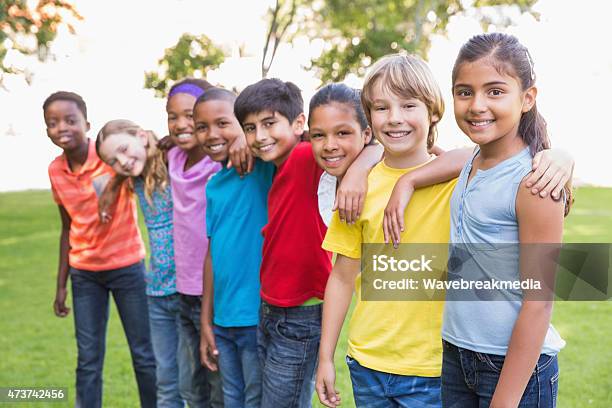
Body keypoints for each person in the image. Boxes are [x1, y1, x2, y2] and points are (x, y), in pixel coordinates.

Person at [316, 54, 455, 408]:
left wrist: (558, 157)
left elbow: (487, 155)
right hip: (367, 364)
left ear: (433, 112)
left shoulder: (457, 180)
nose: (394, 118)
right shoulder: (356, 188)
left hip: (433, 369)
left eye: (409, 105)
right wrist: (324, 357)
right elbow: (342, 277)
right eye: (381, 107)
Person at [234, 78, 381, 408]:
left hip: (301, 314)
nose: (260, 136)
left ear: (299, 124)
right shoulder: (276, 164)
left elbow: (377, 143)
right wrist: (238, 142)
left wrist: (361, 167)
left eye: (269, 124)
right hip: (270, 307)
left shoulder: (309, 157)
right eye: (250, 129)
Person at [439, 32, 566, 408]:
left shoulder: (534, 181)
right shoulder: (472, 161)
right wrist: (408, 181)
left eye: (495, 91)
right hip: (457, 353)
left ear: (527, 98)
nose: (477, 105)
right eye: (465, 92)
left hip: (514, 368)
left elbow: (539, 302)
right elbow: (422, 155)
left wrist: (505, 400)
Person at [44, 91, 156, 408]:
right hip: (85, 274)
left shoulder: (110, 155)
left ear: (87, 123)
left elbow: (144, 149)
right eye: (52, 123)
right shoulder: (55, 171)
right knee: (88, 358)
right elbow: (66, 227)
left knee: (144, 354)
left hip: (127, 267)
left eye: (70, 120)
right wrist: (60, 285)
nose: (62, 127)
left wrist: (115, 183)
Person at [195, 87, 275, 408]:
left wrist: (248, 137)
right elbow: (213, 254)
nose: (212, 134)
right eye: (202, 126)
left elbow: (302, 131)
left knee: (256, 400)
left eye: (223, 123)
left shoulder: (266, 167)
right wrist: (205, 321)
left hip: (258, 318)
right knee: (232, 400)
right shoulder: (214, 185)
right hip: (223, 322)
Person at [96, 119, 182, 408]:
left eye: (122, 149)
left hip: (190, 291)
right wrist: (113, 183)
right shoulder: (134, 177)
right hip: (157, 292)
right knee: (166, 384)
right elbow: (126, 167)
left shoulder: (174, 161)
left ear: (142, 136)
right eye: (112, 160)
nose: (121, 161)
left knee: (199, 384)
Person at [164, 78, 224, 407]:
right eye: (172, 116)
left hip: (214, 292)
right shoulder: (171, 157)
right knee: (189, 387)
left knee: (218, 388)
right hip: (182, 291)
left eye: (190, 116)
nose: (180, 124)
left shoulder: (220, 161)